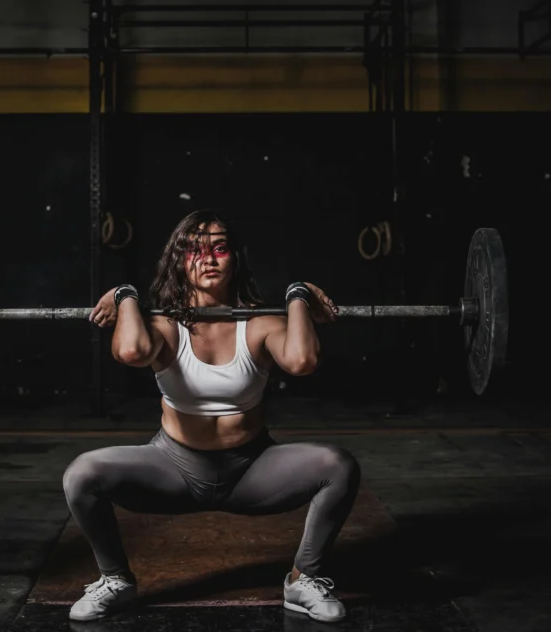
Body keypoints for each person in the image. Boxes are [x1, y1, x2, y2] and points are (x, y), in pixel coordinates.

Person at [63, 209, 361, 623]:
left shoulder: (258, 324)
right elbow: (131, 352)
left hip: (252, 471)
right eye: (193, 250)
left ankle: (303, 579)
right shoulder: (166, 326)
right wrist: (125, 295)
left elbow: (303, 360)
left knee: (338, 465)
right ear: (178, 261)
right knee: (81, 474)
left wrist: (297, 295)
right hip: (172, 469)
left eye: (219, 248)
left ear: (234, 258)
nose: (208, 258)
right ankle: (116, 579)